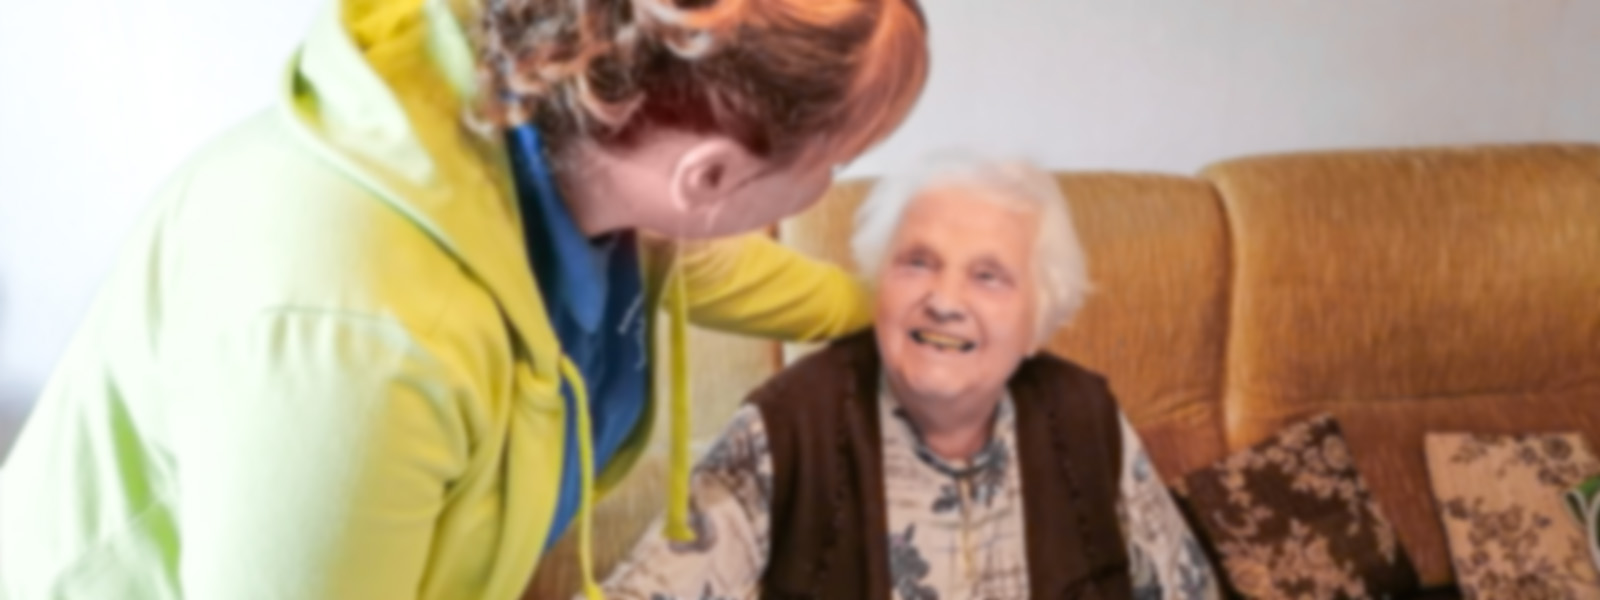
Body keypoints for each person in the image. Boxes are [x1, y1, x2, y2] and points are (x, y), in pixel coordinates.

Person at [0, 0, 928, 597]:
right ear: (709, 175)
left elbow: (717, 269)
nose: (830, 183)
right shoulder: (361, 341)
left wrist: (902, 311)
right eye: (834, 161)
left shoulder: (572, 140)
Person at [601, 155, 1221, 599]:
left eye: (988, 276)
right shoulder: (789, 428)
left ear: (1038, 321)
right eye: (918, 263)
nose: (945, 301)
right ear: (879, 286)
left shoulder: (1085, 417)